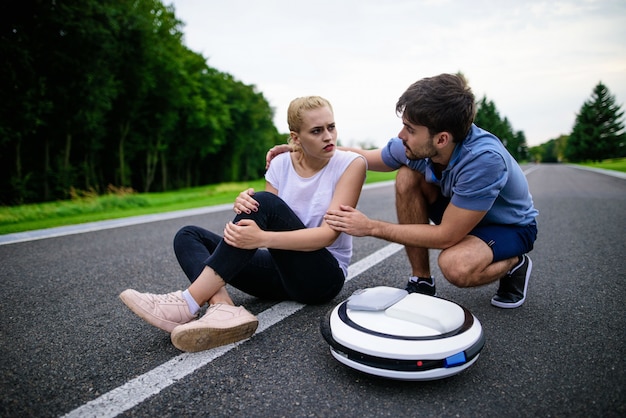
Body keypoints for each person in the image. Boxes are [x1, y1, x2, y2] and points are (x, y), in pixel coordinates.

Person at [267, 73, 538, 308]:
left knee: (456, 266)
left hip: (507, 226)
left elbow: (446, 236)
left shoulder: (484, 160)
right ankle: (421, 280)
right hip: (459, 212)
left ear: (441, 138)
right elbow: (363, 156)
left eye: (409, 129)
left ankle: (514, 263)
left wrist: (371, 227)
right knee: (407, 176)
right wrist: (301, 147)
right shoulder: (415, 146)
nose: (400, 135)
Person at [120, 96, 367, 352]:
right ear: (295, 137)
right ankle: (224, 308)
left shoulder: (350, 165)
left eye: (331, 127)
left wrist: (262, 238)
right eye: (317, 131)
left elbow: (328, 235)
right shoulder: (280, 164)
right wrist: (246, 206)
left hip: (321, 277)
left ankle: (187, 302)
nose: (328, 136)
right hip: (282, 270)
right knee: (189, 235)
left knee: (264, 202)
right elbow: (268, 218)